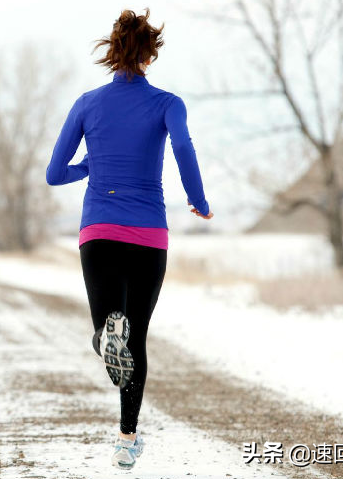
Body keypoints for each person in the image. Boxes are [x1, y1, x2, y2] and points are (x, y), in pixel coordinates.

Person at [45, 8, 213, 471]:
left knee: (110, 327)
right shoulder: (168, 103)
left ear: (112, 53)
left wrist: (92, 167)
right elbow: (182, 147)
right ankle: (126, 439)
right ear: (150, 55)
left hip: (98, 231)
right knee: (136, 335)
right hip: (148, 234)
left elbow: (55, 174)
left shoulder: (86, 103)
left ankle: (103, 336)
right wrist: (197, 199)